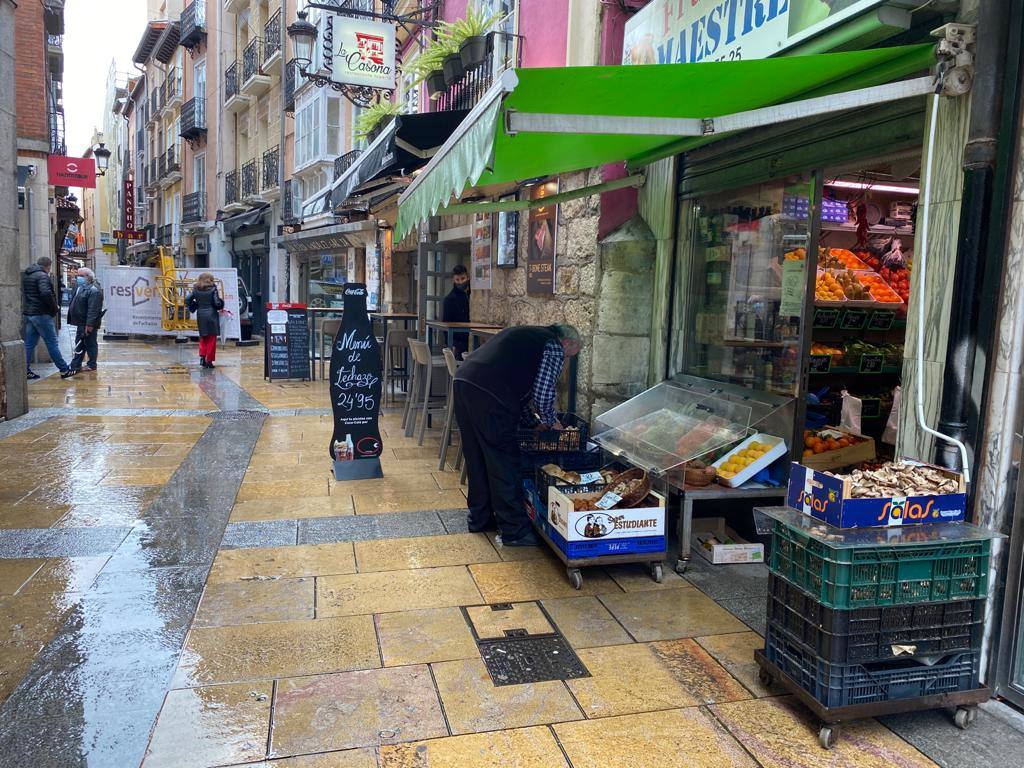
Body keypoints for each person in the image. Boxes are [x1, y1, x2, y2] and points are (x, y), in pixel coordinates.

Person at [453, 323, 582, 546]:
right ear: (567, 343)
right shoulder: (552, 346)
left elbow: (518, 389)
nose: (566, 361)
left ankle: (480, 518)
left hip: (464, 381)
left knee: (477, 457)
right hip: (490, 394)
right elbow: (542, 394)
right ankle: (515, 531)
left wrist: (533, 423)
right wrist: (552, 423)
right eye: (570, 356)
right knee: (503, 459)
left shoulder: (529, 337)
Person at [22, 255, 71, 379]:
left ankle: (24, 370)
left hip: (30, 313)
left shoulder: (28, 275)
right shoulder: (42, 276)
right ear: (47, 266)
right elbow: (45, 293)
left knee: (29, 344)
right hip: (42, 314)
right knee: (52, 343)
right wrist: (55, 308)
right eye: (50, 268)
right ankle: (64, 369)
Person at [63, 267, 104, 377]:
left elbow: (93, 309)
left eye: (80, 276)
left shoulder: (94, 290)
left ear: (88, 277)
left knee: (88, 343)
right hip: (81, 321)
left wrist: (89, 324)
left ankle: (90, 364)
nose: (78, 278)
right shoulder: (82, 287)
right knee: (81, 343)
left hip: (87, 322)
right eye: (78, 275)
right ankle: (77, 364)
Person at [186, 273, 224, 369]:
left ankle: (202, 357)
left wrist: (194, 305)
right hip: (211, 315)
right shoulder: (213, 289)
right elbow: (217, 303)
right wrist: (221, 303)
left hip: (201, 315)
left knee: (203, 337)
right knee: (212, 338)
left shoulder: (196, 289)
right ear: (210, 280)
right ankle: (209, 360)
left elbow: (187, 299)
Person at [442, 264, 471, 358]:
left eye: (463, 278)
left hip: (468, 338)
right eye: (457, 280)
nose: (461, 282)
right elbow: (446, 323)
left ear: (468, 277)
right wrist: (451, 344)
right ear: (453, 280)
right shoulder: (449, 299)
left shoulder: (470, 294)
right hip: (457, 342)